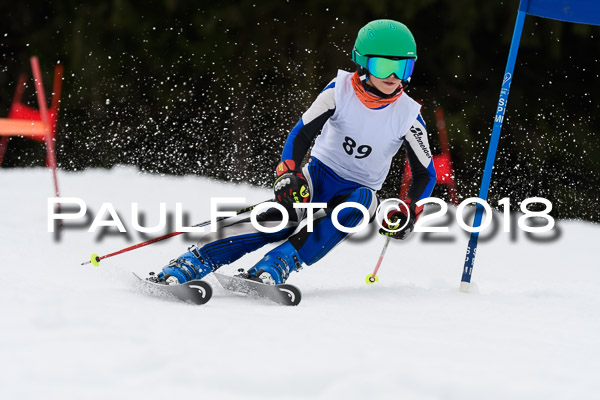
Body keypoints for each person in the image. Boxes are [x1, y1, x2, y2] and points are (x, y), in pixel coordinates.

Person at [149, 19, 437, 285]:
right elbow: (302, 133)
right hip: (318, 176)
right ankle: (195, 260)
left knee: (362, 202)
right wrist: (289, 173)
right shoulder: (339, 92)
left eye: (403, 68)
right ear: (363, 63)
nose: (393, 76)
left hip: (359, 191)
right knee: (281, 217)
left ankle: (279, 263)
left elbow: (426, 174)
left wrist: (410, 208)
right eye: (383, 65)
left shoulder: (408, 116)